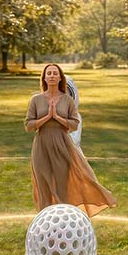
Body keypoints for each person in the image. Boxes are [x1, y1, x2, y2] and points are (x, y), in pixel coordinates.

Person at [25, 64, 115, 216]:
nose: (52, 76)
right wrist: (47, 117)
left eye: (55, 73)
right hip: (41, 145)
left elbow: (74, 124)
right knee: (43, 185)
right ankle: (46, 222)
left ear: (60, 78)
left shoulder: (67, 100)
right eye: (49, 73)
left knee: (61, 186)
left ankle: (63, 220)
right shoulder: (36, 100)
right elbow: (28, 125)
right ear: (44, 78)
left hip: (62, 144)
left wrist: (57, 117)